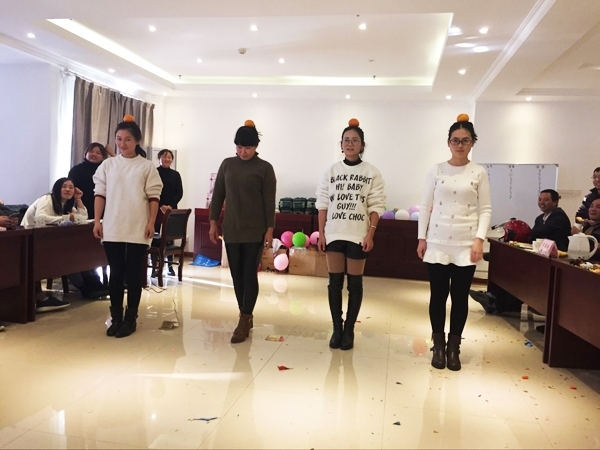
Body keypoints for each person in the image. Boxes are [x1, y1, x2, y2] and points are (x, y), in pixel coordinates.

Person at [417, 114, 492, 371]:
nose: (460, 145)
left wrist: (479, 239)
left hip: (466, 244)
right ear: (448, 142)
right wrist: (421, 238)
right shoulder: (436, 170)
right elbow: (425, 206)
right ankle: (438, 345)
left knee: (460, 298)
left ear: (472, 143)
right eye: (455, 140)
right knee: (438, 296)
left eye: (465, 140)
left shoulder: (478, 172)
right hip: (437, 241)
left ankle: (453, 347)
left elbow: (485, 209)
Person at [316, 118, 386, 351]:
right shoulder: (331, 171)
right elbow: (323, 204)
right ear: (341, 144)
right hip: (334, 234)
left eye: (355, 140)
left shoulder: (371, 172)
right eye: (346, 140)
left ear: (362, 145)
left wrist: (371, 234)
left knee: (354, 285)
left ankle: (349, 330)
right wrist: (322, 233)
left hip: (358, 235)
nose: (350, 144)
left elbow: (376, 205)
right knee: (334, 284)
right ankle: (337, 328)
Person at [93, 116, 163, 338]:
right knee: (115, 273)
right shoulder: (108, 165)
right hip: (112, 225)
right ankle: (116, 318)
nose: (122, 143)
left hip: (137, 226)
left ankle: (130, 319)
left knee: (133, 274)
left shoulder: (147, 166)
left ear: (137, 141)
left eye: (127, 139)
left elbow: (154, 197)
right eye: (118, 139)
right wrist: (97, 220)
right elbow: (100, 194)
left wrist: (151, 222)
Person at [209, 120, 276, 344]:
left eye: (247, 148)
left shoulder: (264, 168)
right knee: (236, 275)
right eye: (239, 147)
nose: (243, 152)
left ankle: (244, 319)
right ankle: (244, 313)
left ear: (256, 146)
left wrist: (269, 230)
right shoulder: (227, 165)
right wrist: (213, 222)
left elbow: (269, 201)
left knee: (249, 273)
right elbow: (218, 194)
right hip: (231, 229)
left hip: (255, 230)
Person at [22, 177, 88, 312]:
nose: (68, 189)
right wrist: (65, 218)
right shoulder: (47, 199)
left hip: (47, 238)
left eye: (71, 187)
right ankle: (39, 297)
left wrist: (78, 199)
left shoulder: (67, 204)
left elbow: (83, 218)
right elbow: (40, 218)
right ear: (57, 188)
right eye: (64, 186)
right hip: (29, 237)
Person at [68, 142, 112, 299]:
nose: (94, 154)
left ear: (103, 156)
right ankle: (88, 281)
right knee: (83, 247)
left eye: (98, 152)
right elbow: (69, 191)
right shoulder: (76, 170)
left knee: (98, 248)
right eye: (91, 151)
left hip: (104, 212)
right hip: (81, 212)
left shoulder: (107, 169)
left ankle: (96, 280)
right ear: (86, 153)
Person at [154, 149, 184, 277]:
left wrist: (170, 206)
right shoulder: (154, 172)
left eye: (169, 157)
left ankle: (170, 267)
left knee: (169, 238)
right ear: (159, 158)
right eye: (164, 157)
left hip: (171, 210)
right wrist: (161, 205)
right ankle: (155, 267)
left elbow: (179, 192)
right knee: (155, 238)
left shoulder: (176, 174)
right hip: (156, 208)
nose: (167, 159)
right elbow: (153, 190)